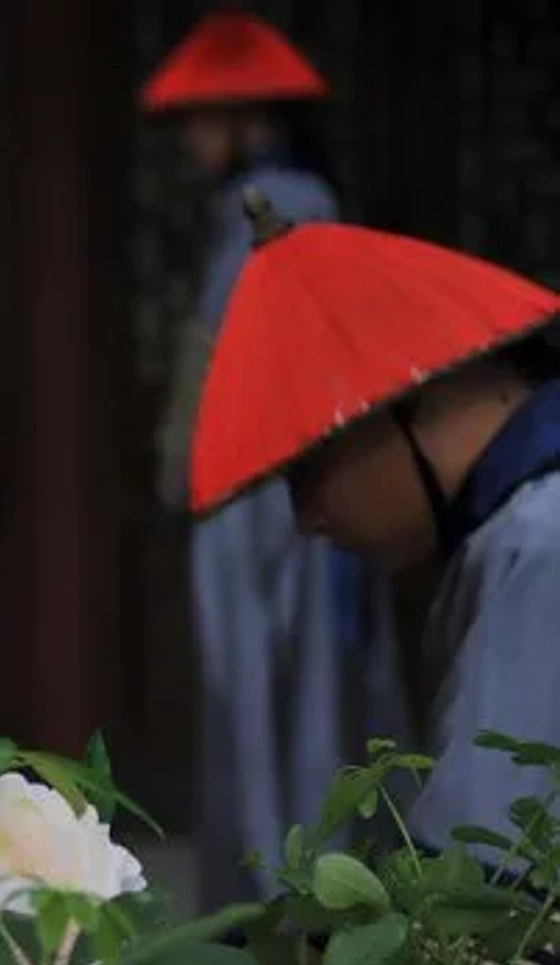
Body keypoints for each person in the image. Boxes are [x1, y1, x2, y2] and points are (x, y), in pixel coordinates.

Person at [190, 192, 560, 859]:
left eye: (307, 470)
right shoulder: (519, 529)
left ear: (394, 406)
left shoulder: (544, 543)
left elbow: (483, 884)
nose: (307, 520)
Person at [140, 10, 409, 904]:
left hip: (269, 475)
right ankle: (288, 877)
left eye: (202, 123)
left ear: (248, 118)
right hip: (257, 470)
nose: (190, 144)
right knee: (270, 680)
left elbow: (259, 348)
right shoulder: (271, 205)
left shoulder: (288, 206)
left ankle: (292, 882)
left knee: (277, 679)